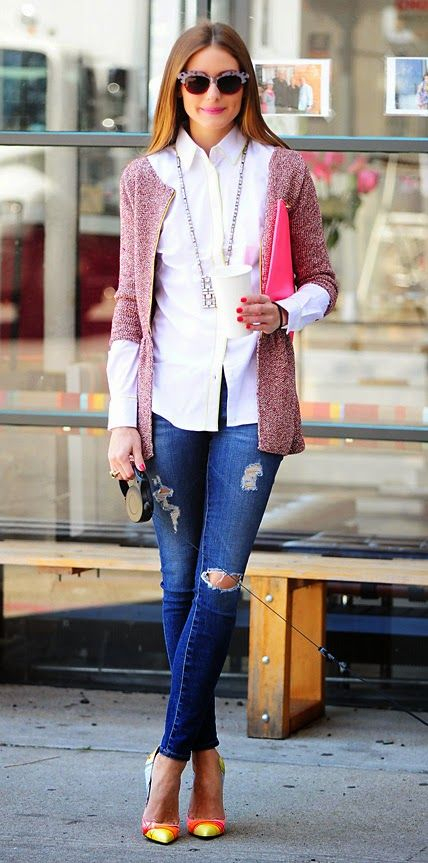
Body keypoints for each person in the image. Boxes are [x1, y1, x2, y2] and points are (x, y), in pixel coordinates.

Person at [107, 20, 338, 846]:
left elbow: (323, 279)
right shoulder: (145, 178)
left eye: (228, 80)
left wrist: (286, 311)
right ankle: (208, 760)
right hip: (168, 405)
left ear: (248, 88)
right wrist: (120, 420)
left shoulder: (282, 171)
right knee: (178, 584)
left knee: (219, 577)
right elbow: (130, 307)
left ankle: (167, 761)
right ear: (176, 87)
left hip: (251, 407)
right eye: (197, 80)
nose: (212, 94)